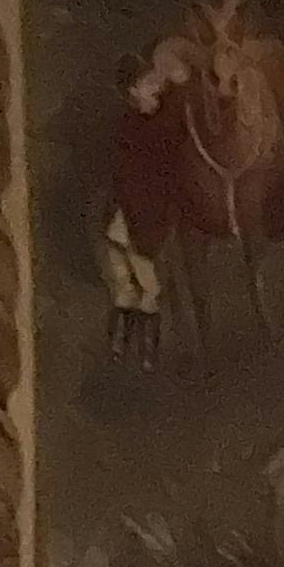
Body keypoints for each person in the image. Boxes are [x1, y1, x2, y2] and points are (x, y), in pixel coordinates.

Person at [101, 47, 181, 365]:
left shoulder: (162, 123)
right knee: (127, 285)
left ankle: (145, 353)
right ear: (134, 90)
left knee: (147, 287)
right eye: (149, 82)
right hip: (128, 219)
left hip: (145, 218)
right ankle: (122, 347)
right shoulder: (130, 127)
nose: (157, 86)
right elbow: (126, 177)